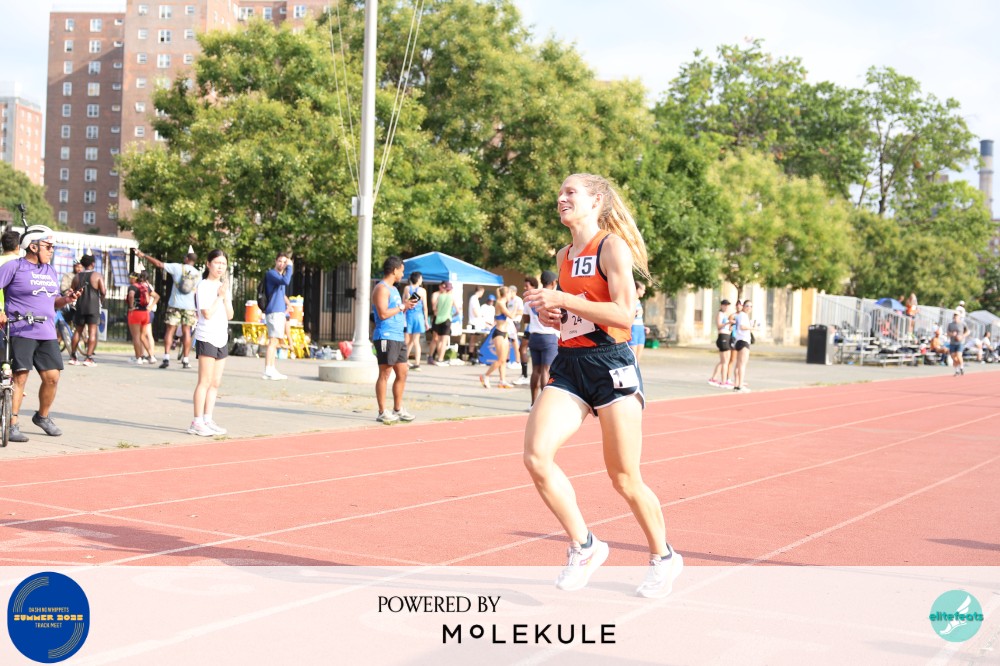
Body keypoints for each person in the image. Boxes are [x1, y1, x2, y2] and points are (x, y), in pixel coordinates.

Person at [522, 173, 681, 599]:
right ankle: (585, 545)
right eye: (560, 192)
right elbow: (577, 313)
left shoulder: (611, 247)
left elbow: (625, 314)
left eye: (570, 192)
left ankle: (664, 556)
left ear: (596, 201)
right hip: (570, 365)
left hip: (612, 365)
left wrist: (563, 300)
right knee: (536, 456)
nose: (561, 197)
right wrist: (555, 316)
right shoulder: (563, 254)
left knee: (624, 478)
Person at [0, 225, 80, 442]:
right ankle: (12, 424)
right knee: (20, 376)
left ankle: (42, 417)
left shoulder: (50, 271)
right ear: (33, 247)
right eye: (48, 246)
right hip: (21, 330)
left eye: (52, 246)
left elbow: (52, 302)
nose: (51, 250)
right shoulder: (14, 267)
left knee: (52, 377)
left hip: (46, 331)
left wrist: (67, 299)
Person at [188, 249, 233, 436]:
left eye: (223, 263)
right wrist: (220, 296)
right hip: (206, 337)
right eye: (217, 263)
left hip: (221, 337)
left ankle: (208, 418)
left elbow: (230, 314)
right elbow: (206, 313)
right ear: (208, 264)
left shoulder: (223, 287)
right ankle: (196, 422)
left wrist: (225, 296)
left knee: (215, 382)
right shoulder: (204, 286)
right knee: (204, 381)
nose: (220, 267)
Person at [372, 256, 417, 423]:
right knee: (385, 373)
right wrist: (402, 306)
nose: (403, 274)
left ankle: (397, 409)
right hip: (386, 336)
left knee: (403, 373)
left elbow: (396, 310)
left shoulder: (394, 290)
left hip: (398, 336)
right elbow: (383, 314)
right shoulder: (381, 289)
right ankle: (382, 411)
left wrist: (406, 306)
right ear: (395, 270)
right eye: (402, 271)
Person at [137, 250, 200, 369]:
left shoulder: (177, 267)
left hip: (175, 304)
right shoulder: (198, 274)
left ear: (186, 258)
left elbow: (159, 264)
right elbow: (198, 292)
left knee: (170, 330)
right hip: (189, 307)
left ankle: (166, 357)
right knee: (186, 332)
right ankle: (186, 360)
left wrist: (144, 255)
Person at [527, 271, 559, 406]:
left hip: (534, 335)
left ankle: (533, 403)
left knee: (535, 370)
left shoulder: (533, 296)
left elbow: (525, 318)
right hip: (549, 336)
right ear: (553, 282)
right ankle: (544, 404)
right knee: (546, 370)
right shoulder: (554, 297)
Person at [69, 254, 105, 367]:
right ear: (93, 264)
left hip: (80, 306)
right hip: (93, 307)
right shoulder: (97, 276)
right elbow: (103, 291)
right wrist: (100, 301)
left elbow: (72, 291)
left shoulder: (77, 277)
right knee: (92, 332)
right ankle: (88, 358)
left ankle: (73, 357)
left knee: (77, 331)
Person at [262, 253, 293, 380]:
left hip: (279, 311)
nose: (282, 264)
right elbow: (286, 281)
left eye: (285, 262)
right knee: (273, 341)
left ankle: (271, 368)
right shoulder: (272, 274)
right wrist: (290, 267)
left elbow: (281, 292)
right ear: (275, 261)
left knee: (275, 342)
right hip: (274, 311)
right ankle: (268, 369)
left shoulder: (279, 276)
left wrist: (287, 304)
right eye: (280, 261)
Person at [479, 286, 514, 389]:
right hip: (499, 333)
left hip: (504, 333)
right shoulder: (500, 303)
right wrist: (517, 307)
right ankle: (485, 375)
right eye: (510, 293)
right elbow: (511, 315)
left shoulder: (503, 303)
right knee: (500, 359)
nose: (511, 296)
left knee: (504, 359)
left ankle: (502, 381)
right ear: (506, 294)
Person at [126, 272, 155, 364]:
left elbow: (131, 295)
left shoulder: (132, 287)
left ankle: (138, 357)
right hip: (145, 313)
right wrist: (151, 306)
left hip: (136, 313)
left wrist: (131, 307)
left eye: (130, 278)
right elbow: (156, 296)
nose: (129, 279)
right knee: (143, 336)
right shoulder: (145, 287)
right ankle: (151, 356)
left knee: (136, 336)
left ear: (134, 278)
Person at [513, 277, 537, 385]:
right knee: (522, 348)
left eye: (527, 286)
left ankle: (525, 375)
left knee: (524, 349)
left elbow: (526, 319)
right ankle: (525, 375)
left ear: (533, 286)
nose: (525, 288)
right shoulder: (531, 299)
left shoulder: (529, 300)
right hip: (533, 329)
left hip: (535, 329)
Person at [404, 271, 429, 370]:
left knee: (409, 341)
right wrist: (426, 320)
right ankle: (417, 362)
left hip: (409, 316)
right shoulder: (422, 291)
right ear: (418, 279)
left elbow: (404, 302)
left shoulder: (407, 288)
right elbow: (425, 307)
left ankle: (405, 361)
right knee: (415, 341)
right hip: (418, 317)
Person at [429, 281, 457, 365]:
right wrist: (451, 315)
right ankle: (437, 357)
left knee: (439, 340)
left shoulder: (439, 296)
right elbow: (457, 309)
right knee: (438, 340)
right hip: (443, 319)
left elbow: (434, 308)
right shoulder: (438, 295)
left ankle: (438, 357)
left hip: (439, 318)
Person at [732, 300, 756, 392]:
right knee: (742, 364)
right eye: (747, 306)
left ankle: (737, 384)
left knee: (738, 364)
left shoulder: (741, 315)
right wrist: (752, 328)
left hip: (739, 340)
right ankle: (740, 385)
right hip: (743, 341)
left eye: (751, 306)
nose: (749, 308)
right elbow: (742, 326)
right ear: (743, 306)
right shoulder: (743, 315)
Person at [709, 300, 732, 386]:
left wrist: (730, 326)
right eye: (724, 305)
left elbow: (728, 327)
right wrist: (728, 322)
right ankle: (723, 381)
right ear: (721, 306)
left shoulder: (726, 315)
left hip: (727, 336)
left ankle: (714, 378)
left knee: (724, 361)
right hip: (723, 337)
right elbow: (719, 326)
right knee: (725, 361)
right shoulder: (720, 314)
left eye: (727, 305)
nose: (726, 307)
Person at [629, 281, 650, 361]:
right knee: (632, 358)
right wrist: (636, 313)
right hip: (633, 329)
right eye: (643, 290)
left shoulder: (638, 301)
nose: (644, 292)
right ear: (637, 289)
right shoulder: (631, 301)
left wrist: (644, 327)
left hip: (640, 329)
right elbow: (627, 315)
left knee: (638, 359)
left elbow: (638, 318)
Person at [506, 284, 524, 372]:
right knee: (507, 342)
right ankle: (508, 360)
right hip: (509, 322)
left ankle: (518, 361)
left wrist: (512, 314)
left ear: (514, 292)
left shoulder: (518, 300)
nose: (509, 293)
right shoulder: (509, 301)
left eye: (510, 292)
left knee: (514, 342)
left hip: (515, 322)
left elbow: (521, 311)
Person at [724, 300, 742, 386]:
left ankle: (739, 379)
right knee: (732, 359)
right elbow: (729, 327)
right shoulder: (733, 316)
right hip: (734, 339)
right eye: (737, 305)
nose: (738, 306)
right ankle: (728, 378)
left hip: (741, 339)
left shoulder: (743, 316)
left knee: (740, 360)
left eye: (740, 305)